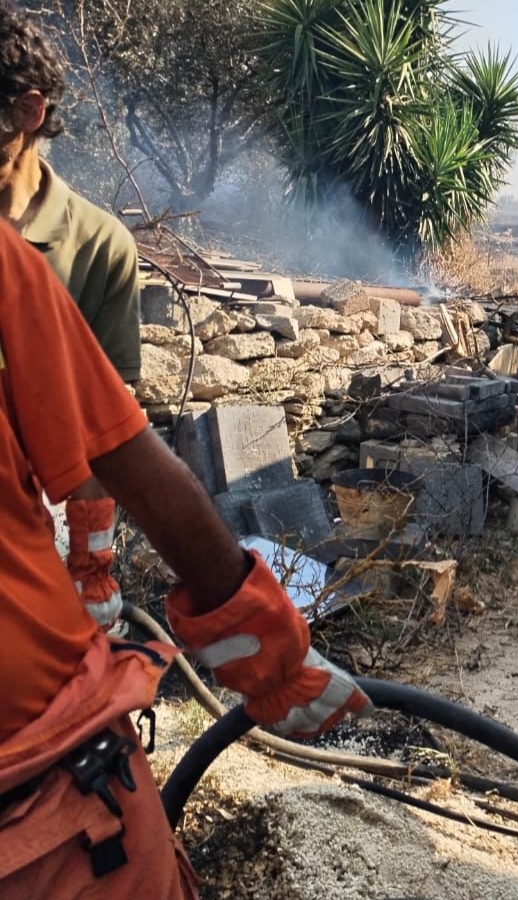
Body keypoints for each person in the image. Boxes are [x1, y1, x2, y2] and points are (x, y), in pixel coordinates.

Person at [0, 218, 373, 897]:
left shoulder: (72, 244)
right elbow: (127, 460)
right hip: (47, 802)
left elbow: (86, 450)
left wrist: (90, 562)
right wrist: (276, 664)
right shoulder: (5, 261)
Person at [0, 0, 144, 636]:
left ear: (26, 112)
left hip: (42, 531)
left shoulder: (101, 246)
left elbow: (108, 434)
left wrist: (91, 564)